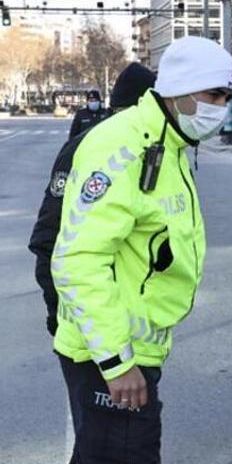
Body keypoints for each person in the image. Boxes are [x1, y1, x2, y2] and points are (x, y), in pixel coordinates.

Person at [51, 36, 232, 464]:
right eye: (215, 95)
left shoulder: (168, 143)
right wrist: (117, 362)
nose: (222, 107)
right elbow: (77, 259)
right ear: (182, 91)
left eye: (228, 97)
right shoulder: (124, 146)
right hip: (110, 357)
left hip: (133, 351)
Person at [29, 62, 156, 337]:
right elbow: (50, 235)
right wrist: (57, 309)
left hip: (130, 318)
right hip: (89, 323)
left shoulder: (150, 149)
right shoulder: (88, 146)